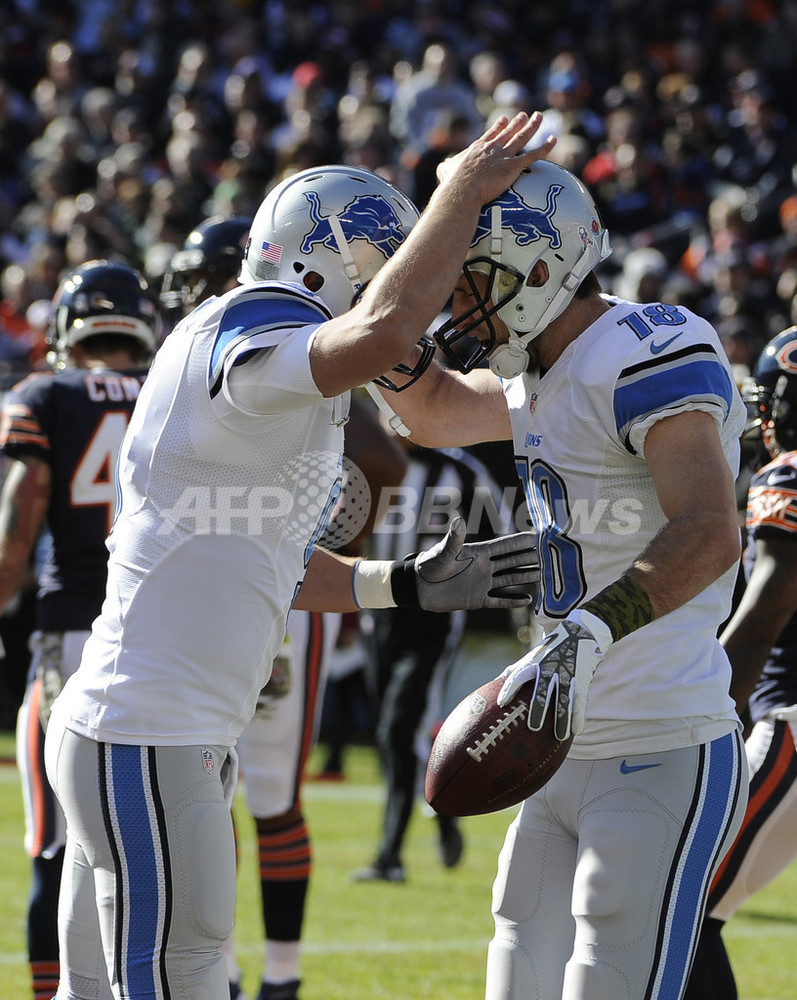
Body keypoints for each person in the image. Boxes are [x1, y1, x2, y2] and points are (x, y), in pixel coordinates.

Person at [43, 113, 548, 1000]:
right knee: (184, 978)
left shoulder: (264, 364)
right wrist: (460, 194)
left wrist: (400, 585)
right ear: (343, 259)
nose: (405, 287)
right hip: (152, 732)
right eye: (386, 264)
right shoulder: (250, 328)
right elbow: (388, 334)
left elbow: (266, 559)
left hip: (142, 725)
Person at [377, 153, 750, 999]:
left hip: (660, 732)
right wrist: (371, 326)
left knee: (606, 975)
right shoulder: (534, 376)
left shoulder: (645, 345)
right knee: (517, 971)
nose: (455, 299)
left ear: (538, 271)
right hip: (553, 728)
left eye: (472, 278)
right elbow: (430, 410)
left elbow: (709, 529)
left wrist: (591, 627)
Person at [161, 215, 409, 1000]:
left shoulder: (258, 350)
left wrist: (311, 543)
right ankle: (252, 972)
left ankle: (264, 973)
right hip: (238, 594)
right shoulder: (233, 352)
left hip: (266, 599)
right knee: (225, 789)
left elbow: (380, 456)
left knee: (244, 790)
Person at [0, 259, 159, 1000]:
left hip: (72, 640)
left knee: (55, 849)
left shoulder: (44, 393)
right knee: (156, 849)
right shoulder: (172, 391)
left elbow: (14, 533)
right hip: (168, 642)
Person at [683, 326, 797, 1000]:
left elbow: (764, 613)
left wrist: (695, 708)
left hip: (788, 720)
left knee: (681, 903)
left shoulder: (787, 471)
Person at [353, 439, 514, 883]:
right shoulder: (372, 460)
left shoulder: (462, 472)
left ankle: (390, 856)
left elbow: (505, 534)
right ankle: (441, 811)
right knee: (389, 734)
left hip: (432, 620)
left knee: (398, 729)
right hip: (377, 615)